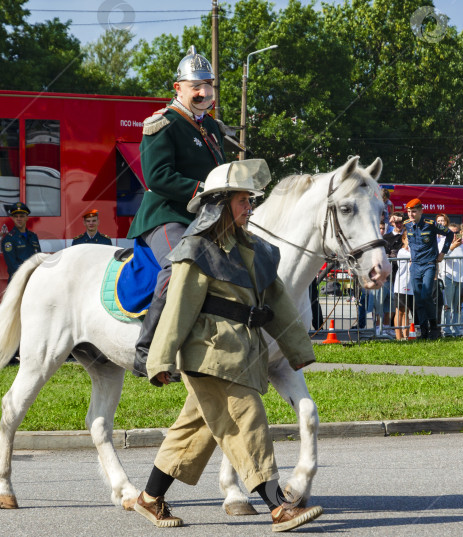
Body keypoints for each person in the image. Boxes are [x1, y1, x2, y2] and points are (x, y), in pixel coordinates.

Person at [135, 160, 323, 532]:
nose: (249, 208)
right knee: (247, 417)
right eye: (242, 201)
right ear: (220, 204)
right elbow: (177, 309)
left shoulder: (257, 250)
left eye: (250, 201)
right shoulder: (196, 251)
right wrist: (158, 359)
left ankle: (149, 498)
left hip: (242, 352)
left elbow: (281, 304)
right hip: (208, 352)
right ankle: (278, 505)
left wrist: (299, 350)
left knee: (194, 432)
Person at [127, 45, 226, 377]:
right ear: (178, 88)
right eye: (195, 86)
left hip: (207, 217)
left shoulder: (212, 128)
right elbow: (157, 177)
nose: (203, 92)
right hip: (167, 216)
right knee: (178, 267)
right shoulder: (162, 124)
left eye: (208, 85)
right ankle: (146, 350)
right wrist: (203, 192)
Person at [403, 199, 454, 339]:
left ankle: (435, 328)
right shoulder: (407, 225)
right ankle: (424, 331)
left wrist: (443, 252)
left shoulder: (430, 224)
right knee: (418, 299)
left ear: (420, 211)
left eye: (414, 211)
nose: (411, 214)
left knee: (426, 295)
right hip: (415, 265)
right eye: (409, 212)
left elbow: (449, 234)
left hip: (429, 264)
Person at [0, 202, 41, 279]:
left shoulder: (33, 236)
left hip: (33, 280)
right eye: (16, 216)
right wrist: (29, 274)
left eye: (21, 216)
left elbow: (38, 258)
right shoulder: (9, 239)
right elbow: (12, 265)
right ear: (12, 218)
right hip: (18, 280)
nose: (18, 219)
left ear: (27, 218)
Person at [441, 223, 463, 336]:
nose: (454, 235)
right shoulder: (443, 243)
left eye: (456, 232)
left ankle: (455, 329)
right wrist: (451, 247)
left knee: (457, 307)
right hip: (448, 277)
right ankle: (446, 330)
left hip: (460, 279)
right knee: (447, 306)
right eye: (451, 232)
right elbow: (442, 257)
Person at [393, 233, 414, 340]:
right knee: (400, 310)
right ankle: (398, 335)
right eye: (408, 239)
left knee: (407, 310)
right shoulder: (401, 252)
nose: (410, 241)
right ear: (403, 239)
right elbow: (413, 258)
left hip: (411, 284)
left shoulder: (412, 251)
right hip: (401, 284)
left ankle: (406, 335)